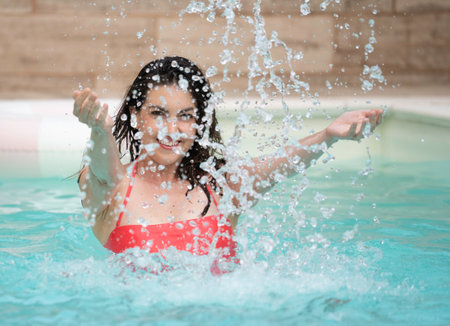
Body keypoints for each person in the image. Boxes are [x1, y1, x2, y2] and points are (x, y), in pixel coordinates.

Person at [73, 56, 383, 269]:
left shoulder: (222, 185)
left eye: (186, 116)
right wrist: (100, 130)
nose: (172, 129)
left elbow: (280, 163)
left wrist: (328, 135)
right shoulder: (111, 187)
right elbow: (105, 174)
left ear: (200, 125)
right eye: (158, 113)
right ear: (136, 116)